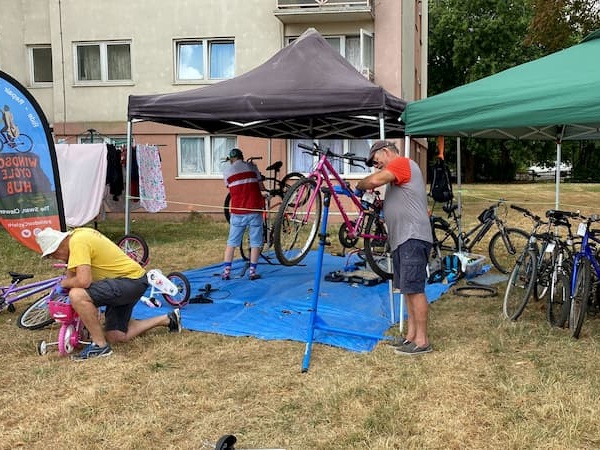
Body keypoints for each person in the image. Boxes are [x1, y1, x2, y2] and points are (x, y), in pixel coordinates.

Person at [35, 227, 181, 361]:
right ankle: (168, 319)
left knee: (77, 295)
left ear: (58, 246)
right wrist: (68, 282)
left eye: (54, 255)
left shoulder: (78, 243)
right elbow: (72, 275)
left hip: (128, 282)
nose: (57, 258)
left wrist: (63, 284)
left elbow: (83, 281)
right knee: (116, 336)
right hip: (134, 281)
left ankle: (99, 346)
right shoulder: (78, 236)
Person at [356, 140, 434, 356]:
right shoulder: (397, 176)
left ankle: (422, 341)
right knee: (407, 289)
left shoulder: (401, 163)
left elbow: (373, 181)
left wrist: (361, 185)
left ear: (386, 152)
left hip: (412, 237)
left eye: (376, 159)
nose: (375, 164)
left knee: (415, 289)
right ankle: (411, 337)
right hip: (401, 239)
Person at [221, 148, 266, 281]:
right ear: (242, 157)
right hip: (254, 209)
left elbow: (230, 187)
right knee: (256, 242)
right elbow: (261, 186)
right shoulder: (252, 167)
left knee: (232, 242)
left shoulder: (227, 172)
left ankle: (226, 272)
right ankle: (252, 272)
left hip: (237, 210)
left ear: (231, 159)